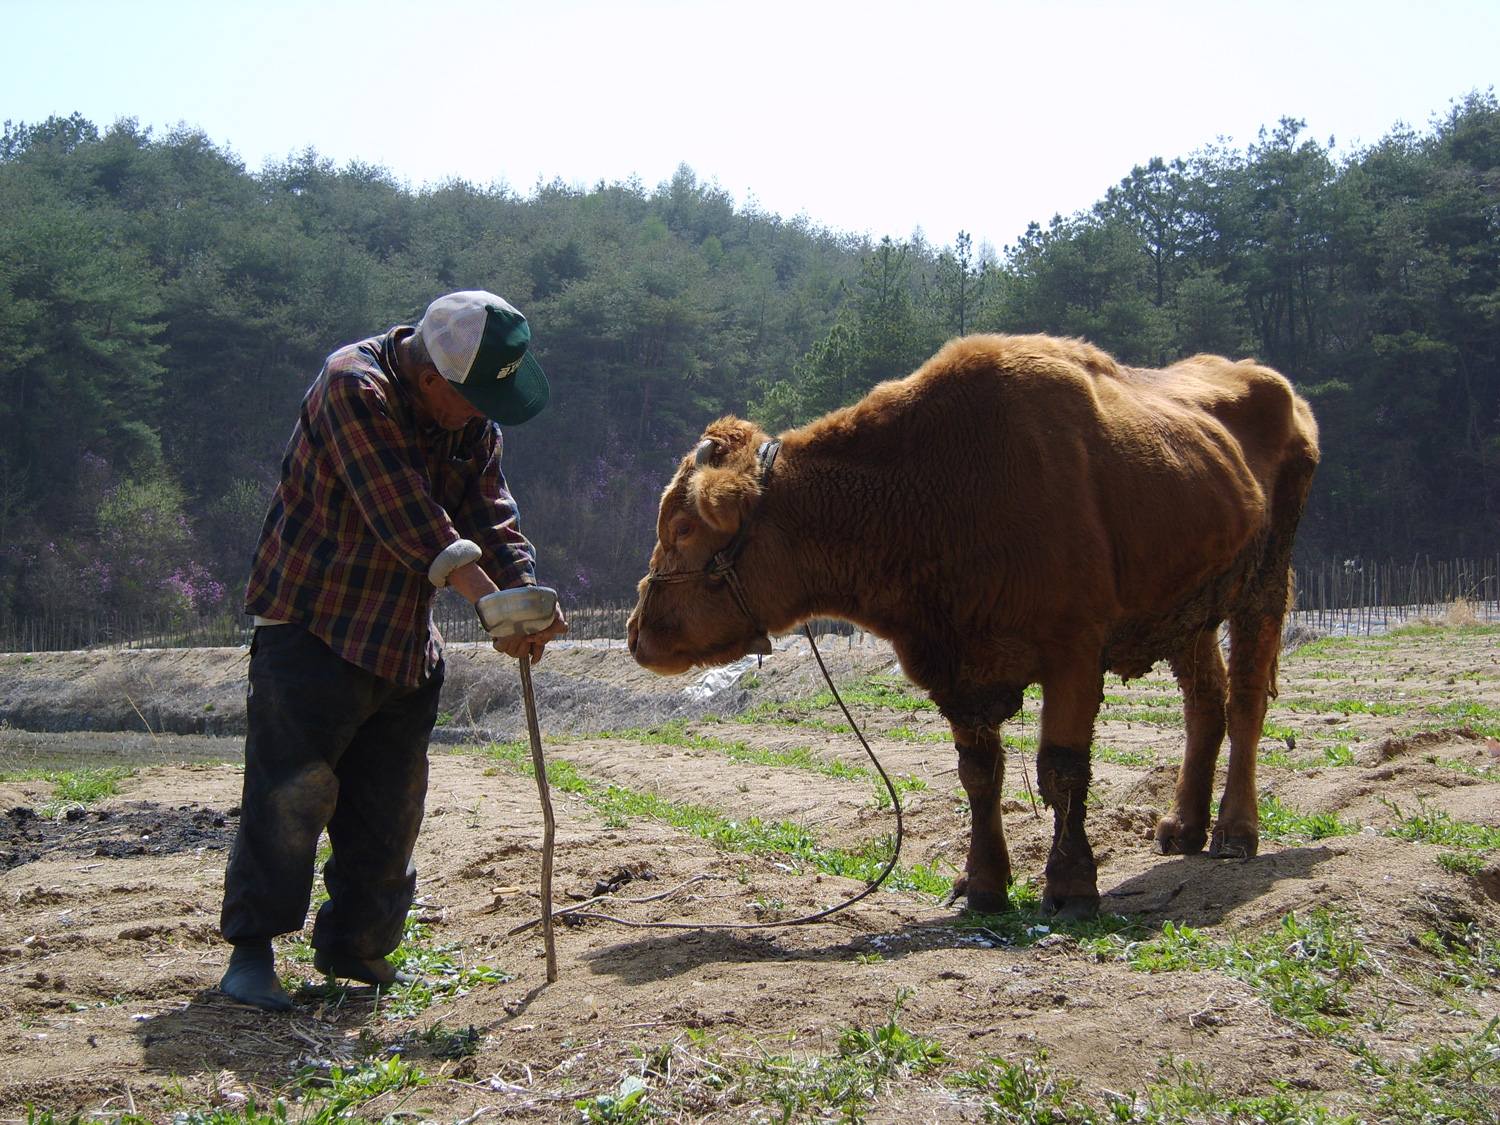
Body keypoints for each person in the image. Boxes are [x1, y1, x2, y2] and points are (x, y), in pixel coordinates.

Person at [218, 290, 567, 1012]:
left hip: (401, 640)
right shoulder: (353, 385)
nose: (480, 416)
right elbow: (406, 512)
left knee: (390, 806)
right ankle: (251, 952)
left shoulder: (470, 425)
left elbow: (491, 514)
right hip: (313, 627)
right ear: (433, 379)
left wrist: (523, 597)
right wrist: (487, 600)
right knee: (291, 793)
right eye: (472, 400)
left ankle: (356, 947)